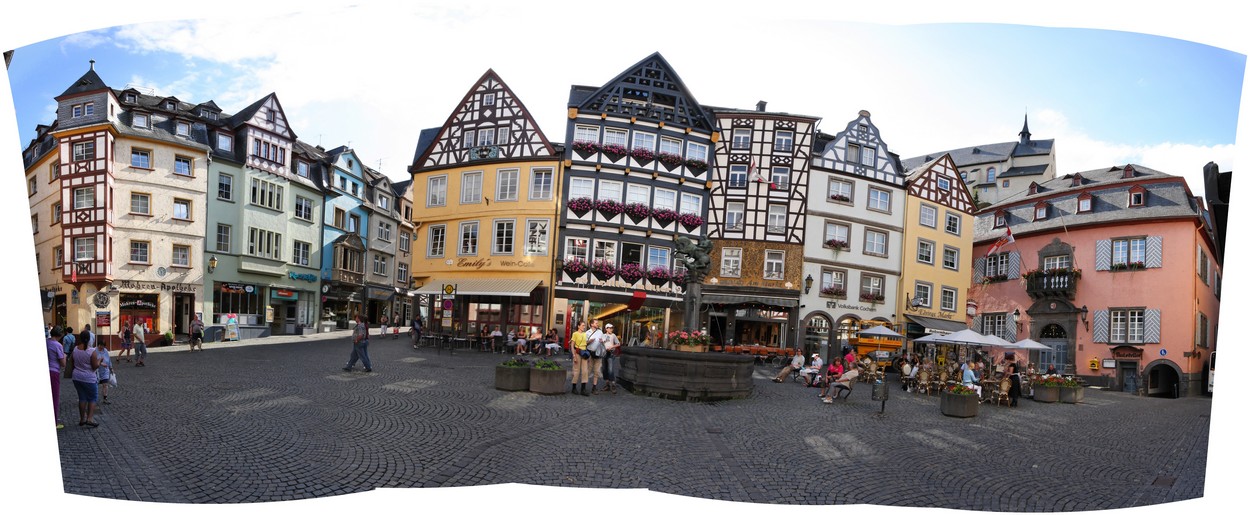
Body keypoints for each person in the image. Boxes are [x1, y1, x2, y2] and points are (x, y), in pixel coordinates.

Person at [70, 334, 102, 428]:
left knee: (82, 398)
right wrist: (99, 361)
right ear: (89, 339)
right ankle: (90, 419)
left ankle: (82, 419)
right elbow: (94, 366)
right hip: (89, 378)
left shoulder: (75, 349)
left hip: (77, 377)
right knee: (92, 398)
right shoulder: (92, 351)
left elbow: (72, 362)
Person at [47, 326, 67, 429]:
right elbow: (63, 363)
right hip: (54, 371)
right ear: (60, 335)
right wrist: (65, 356)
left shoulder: (46, 342)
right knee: (54, 397)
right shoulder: (58, 345)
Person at [585, 320, 607, 394]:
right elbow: (584, 343)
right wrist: (589, 342)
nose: (597, 324)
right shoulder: (587, 333)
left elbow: (604, 339)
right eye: (596, 323)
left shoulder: (600, 332)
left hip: (598, 354)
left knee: (596, 371)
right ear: (591, 324)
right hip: (590, 354)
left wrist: (602, 340)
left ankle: (594, 388)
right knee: (588, 370)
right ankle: (583, 386)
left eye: (598, 323)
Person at [600, 323, 622, 394]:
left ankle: (613, 384)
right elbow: (602, 342)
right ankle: (607, 384)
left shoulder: (613, 335)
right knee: (604, 369)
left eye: (612, 328)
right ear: (606, 329)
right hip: (604, 353)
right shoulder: (603, 335)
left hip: (611, 353)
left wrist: (612, 347)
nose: (611, 329)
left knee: (610, 369)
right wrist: (601, 342)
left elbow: (618, 344)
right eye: (609, 328)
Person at [569, 322, 590, 396]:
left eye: (584, 325)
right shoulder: (575, 334)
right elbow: (572, 345)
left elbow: (586, 343)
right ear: (578, 326)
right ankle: (574, 388)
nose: (584, 327)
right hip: (577, 352)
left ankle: (583, 389)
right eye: (583, 325)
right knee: (576, 370)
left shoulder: (585, 334)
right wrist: (574, 356)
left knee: (585, 371)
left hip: (584, 353)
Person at [95, 339, 112, 406]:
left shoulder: (105, 351)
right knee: (95, 385)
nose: (102, 347)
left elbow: (109, 359)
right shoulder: (94, 351)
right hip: (96, 371)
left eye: (103, 346)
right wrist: (101, 364)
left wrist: (111, 368)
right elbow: (93, 361)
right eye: (101, 345)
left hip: (105, 370)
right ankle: (93, 399)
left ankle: (105, 398)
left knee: (105, 384)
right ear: (98, 344)